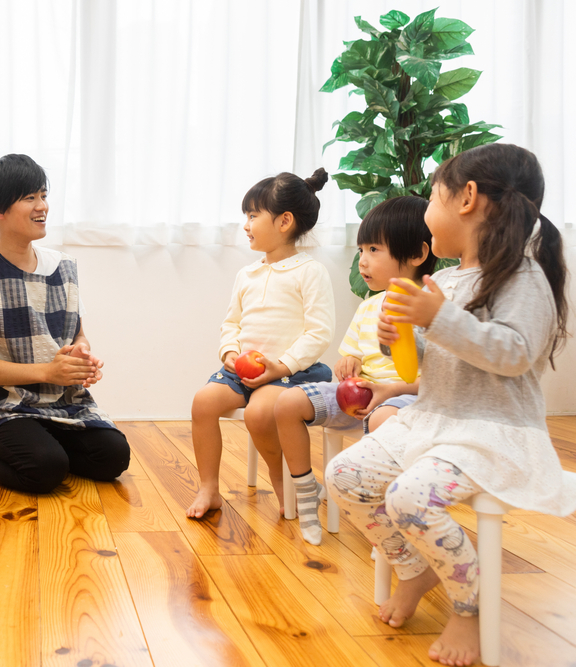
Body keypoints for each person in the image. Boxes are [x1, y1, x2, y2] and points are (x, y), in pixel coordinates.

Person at [324, 143, 576, 666]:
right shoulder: (450, 279)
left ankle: (470, 605)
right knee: (345, 474)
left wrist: (436, 318)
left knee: (410, 498)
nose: (426, 213)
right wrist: (403, 337)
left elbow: (513, 353)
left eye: (432, 198)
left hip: (490, 430)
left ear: (467, 198)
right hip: (434, 421)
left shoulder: (523, 278)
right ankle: (414, 568)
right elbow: (434, 360)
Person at [0, 154, 130, 494]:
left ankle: (43, 443)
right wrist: (46, 372)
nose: (42, 207)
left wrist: (81, 358)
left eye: (43, 195)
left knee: (113, 459)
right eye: (29, 198)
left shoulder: (64, 266)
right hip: (3, 403)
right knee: (44, 469)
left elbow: (78, 333)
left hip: (64, 399)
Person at [274, 196, 436, 544]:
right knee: (287, 404)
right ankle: (306, 490)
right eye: (361, 250)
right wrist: (350, 364)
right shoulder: (369, 305)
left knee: (382, 421)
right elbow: (349, 356)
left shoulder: (433, 308)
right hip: (362, 397)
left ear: (417, 255)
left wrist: (392, 391)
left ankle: (387, 518)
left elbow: (440, 378)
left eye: (374, 250)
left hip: (404, 402)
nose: (363, 261)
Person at [187, 169, 335, 519]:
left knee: (257, 413)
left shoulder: (310, 272)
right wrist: (230, 353)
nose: (246, 224)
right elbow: (232, 323)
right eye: (246, 216)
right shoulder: (247, 274)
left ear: (284, 221)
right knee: (203, 402)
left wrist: (281, 366)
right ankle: (209, 487)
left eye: (253, 216)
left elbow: (319, 332)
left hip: (291, 372)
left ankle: (282, 479)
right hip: (244, 371)